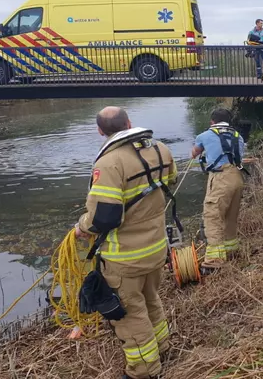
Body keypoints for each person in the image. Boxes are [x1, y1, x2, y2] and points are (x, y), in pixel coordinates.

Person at [75, 106, 177, 379]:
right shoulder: (160, 149)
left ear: (100, 131)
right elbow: (169, 181)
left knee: (129, 314)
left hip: (125, 258)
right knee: (150, 298)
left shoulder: (109, 164)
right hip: (156, 248)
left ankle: (143, 370)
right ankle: (162, 347)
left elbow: (104, 218)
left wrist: (81, 228)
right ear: (129, 122)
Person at [191, 108, 246, 271]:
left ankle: (214, 260)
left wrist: (196, 151)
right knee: (230, 216)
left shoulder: (205, 135)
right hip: (237, 177)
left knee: (213, 216)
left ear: (212, 122)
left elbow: (195, 152)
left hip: (220, 177)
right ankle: (231, 251)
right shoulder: (238, 136)